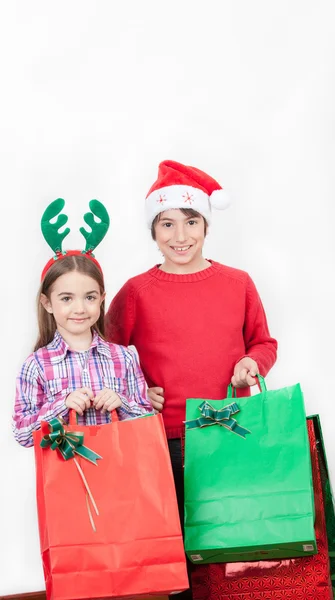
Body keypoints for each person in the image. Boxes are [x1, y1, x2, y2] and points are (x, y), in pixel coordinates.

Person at [105, 160, 278, 599]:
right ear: (153, 230)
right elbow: (107, 359)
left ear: (206, 225)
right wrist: (135, 391)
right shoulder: (136, 293)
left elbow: (264, 342)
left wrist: (252, 364)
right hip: (167, 441)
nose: (179, 236)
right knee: (179, 549)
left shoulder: (238, 283)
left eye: (190, 222)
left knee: (233, 542)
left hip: (231, 432)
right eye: (166, 224)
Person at [13, 198, 152, 448]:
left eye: (89, 297)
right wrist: (61, 405)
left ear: (101, 299)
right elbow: (23, 434)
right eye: (66, 298)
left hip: (121, 479)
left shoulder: (124, 358)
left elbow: (148, 421)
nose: (79, 308)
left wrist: (122, 402)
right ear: (47, 303)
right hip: (67, 482)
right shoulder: (36, 366)